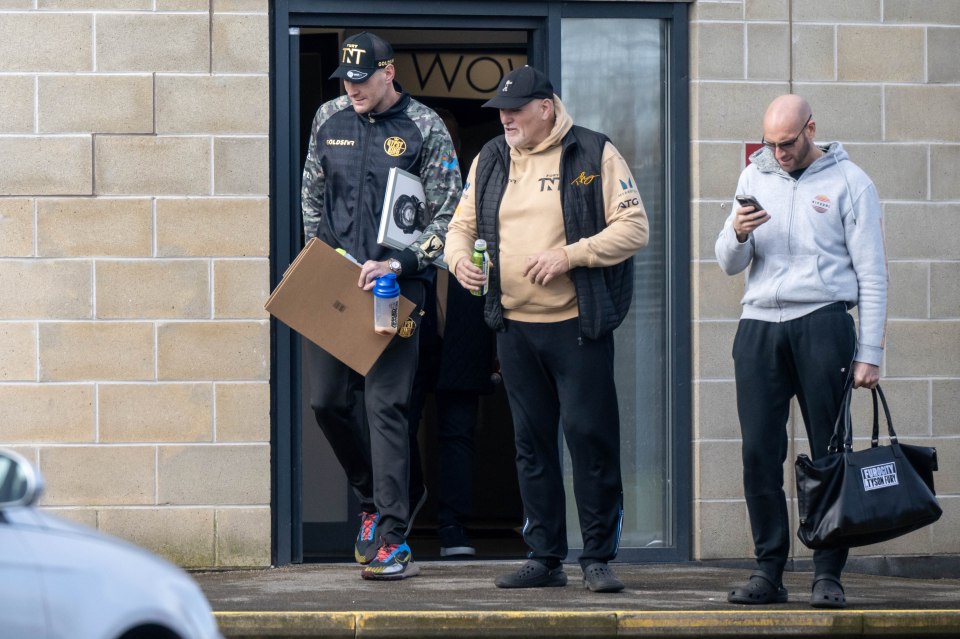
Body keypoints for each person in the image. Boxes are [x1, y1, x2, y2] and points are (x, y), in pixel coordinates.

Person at [444, 65, 649, 592]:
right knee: (531, 446)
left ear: (546, 108)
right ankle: (544, 556)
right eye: (500, 112)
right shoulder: (491, 158)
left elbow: (634, 228)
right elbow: (461, 226)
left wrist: (569, 256)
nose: (505, 119)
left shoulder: (592, 152)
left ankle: (598, 557)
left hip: (576, 328)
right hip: (513, 327)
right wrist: (459, 260)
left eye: (515, 110)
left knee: (590, 441)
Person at [715, 94, 887, 608]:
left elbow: (873, 273)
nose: (778, 152)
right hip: (760, 325)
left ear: (811, 128)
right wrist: (737, 233)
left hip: (823, 322)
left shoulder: (851, 182)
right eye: (769, 143)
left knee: (830, 451)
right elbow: (727, 261)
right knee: (758, 453)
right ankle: (768, 570)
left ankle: (827, 573)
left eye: (787, 143)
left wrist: (870, 350)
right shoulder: (754, 176)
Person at [300, 31, 462, 580]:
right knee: (326, 401)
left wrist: (401, 264)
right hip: (339, 285)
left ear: (388, 73)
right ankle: (376, 496)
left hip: (396, 287)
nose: (352, 88)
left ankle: (393, 538)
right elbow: (312, 196)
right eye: (345, 79)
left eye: (362, 78)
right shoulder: (329, 118)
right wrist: (323, 262)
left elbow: (450, 217)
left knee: (385, 407)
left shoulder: (427, 128)